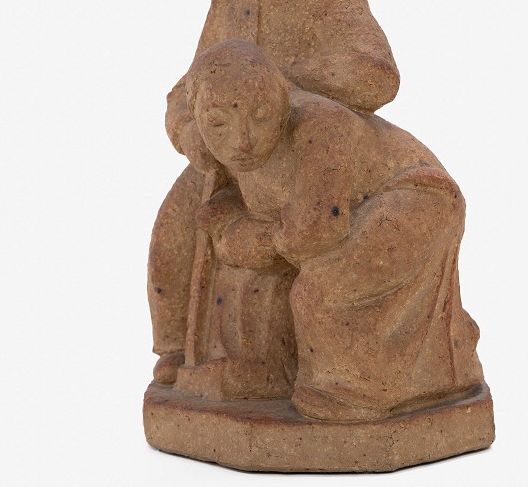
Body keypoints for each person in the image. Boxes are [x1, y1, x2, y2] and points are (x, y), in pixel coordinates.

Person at [149, 0, 400, 384]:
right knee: (175, 226)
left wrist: (283, 83)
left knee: (300, 241)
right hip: (233, 157)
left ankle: (279, 367)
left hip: (310, 158)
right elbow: (188, 87)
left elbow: (379, 77)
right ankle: (174, 349)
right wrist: (191, 132)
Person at [185, 39, 485, 422]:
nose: (243, 140)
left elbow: (316, 232)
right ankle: (273, 373)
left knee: (324, 288)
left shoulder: (321, 124)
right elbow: (250, 210)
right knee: (261, 282)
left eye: (261, 116)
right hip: (352, 215)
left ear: (282, 96)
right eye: (217, 124)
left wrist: (246, 238)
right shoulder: (228, 153)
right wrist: (228, 221)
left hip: (417, 196)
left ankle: (356, 393)